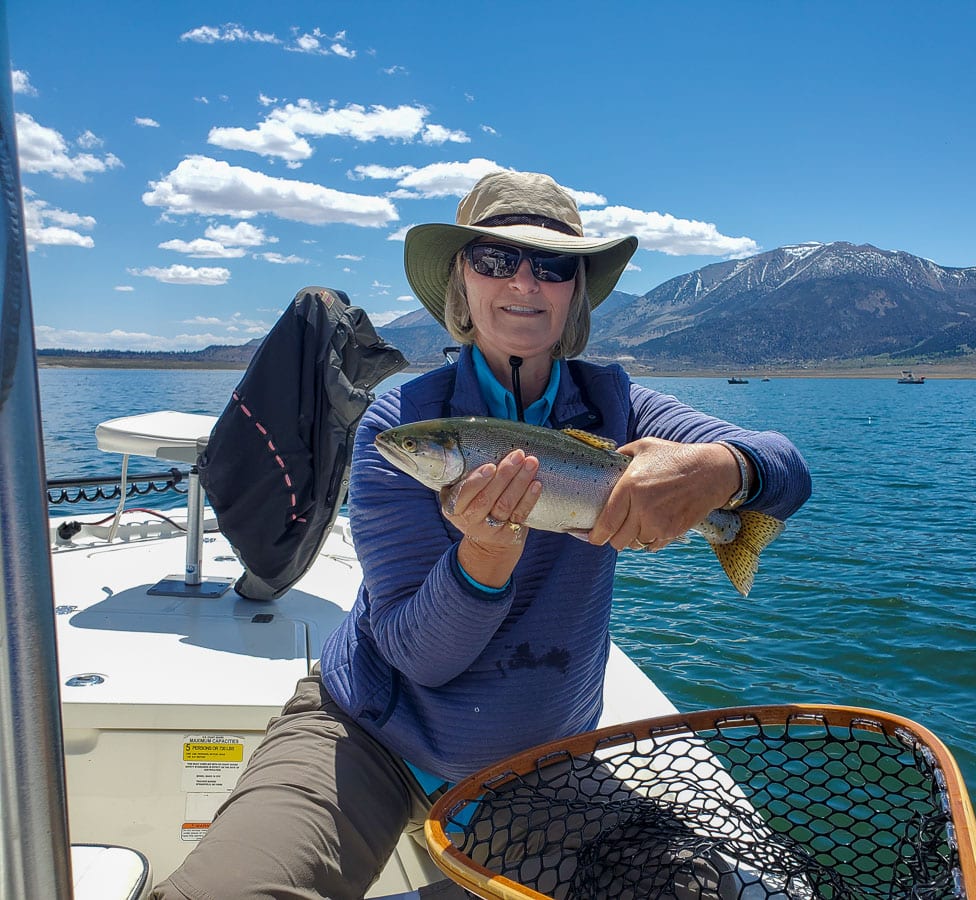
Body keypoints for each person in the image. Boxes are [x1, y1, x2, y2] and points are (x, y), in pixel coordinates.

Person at [151, 170, 812, 899]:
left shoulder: (620, 406)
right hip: (364, 731)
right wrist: (485, 557)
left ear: (576, 290)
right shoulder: (400, 423)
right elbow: (415, 655)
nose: (523, 280)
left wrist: (720, 470)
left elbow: (788, 471)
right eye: (493, 258)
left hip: (539, 763)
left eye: (553, 264)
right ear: (460, 282)